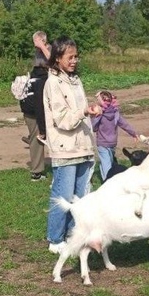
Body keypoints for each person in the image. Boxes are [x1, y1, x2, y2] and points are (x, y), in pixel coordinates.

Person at [43, 36, 102, 254]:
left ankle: (72, 234)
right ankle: (55, 238)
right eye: (70, 57)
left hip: (83, 146)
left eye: (76, 56)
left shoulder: (75, 81)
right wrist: (83, 112)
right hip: (65, 148)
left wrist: (92, 111)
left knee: (80, 197)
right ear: (58, 58)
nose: (74, 60)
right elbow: (62, 119)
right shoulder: (53, 83)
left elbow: (80, 114)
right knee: (64, 195)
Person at [20, 31, 50, 181]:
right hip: (32, 107)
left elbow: (53, 62)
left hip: (39, 105)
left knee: (40, 136)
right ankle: (37, 172)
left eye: (37, 41)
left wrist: (43, 46)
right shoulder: (38, 74)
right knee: (38, 136)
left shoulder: (49, 50)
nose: (35, 44)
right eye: (34, 41)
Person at [91, 90, 139, 181]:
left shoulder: (100, 114)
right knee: (107, 162)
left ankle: (107, 181)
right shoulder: (115, 113)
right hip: (112, 143)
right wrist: (133, 133)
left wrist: (96, 117)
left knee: (106, 163)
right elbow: (124, 124)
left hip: (102, 143)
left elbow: (93, 127)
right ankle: (108, 179)